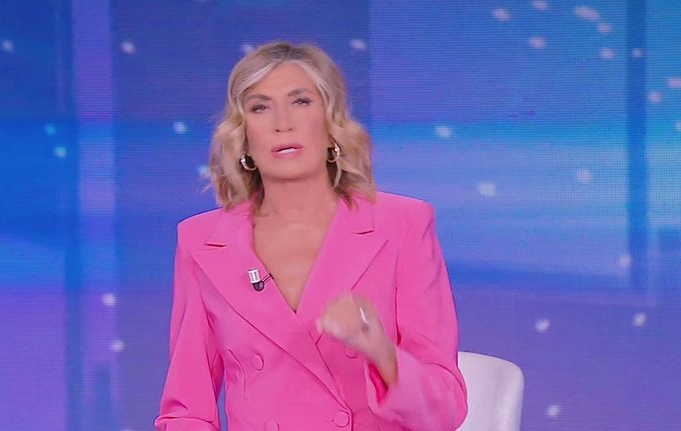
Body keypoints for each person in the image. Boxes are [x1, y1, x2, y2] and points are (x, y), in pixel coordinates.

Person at [155, 41, 467, 431]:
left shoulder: (402, 225)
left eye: (300, 101)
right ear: (244, 135)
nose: (282, 123)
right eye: (260, 107)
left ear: (331, 122)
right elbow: (187, 411)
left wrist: (382, 353)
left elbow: (445, 410)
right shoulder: (202, 242)